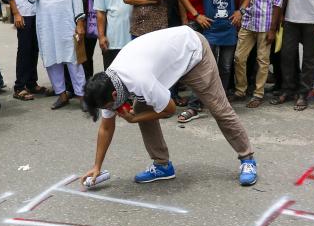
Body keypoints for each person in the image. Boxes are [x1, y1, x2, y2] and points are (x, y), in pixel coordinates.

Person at [81, 26, 258, 186]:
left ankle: (247, 159)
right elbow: (105, 128)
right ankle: (162, 165)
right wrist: (97, 166)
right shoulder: (106, 84)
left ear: (114, 95)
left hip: (193, 54)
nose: (111, 109)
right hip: (168, 63)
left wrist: (134, 118)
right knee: (143, 108)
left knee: (219, 108)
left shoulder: (139, 79)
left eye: (110, 106)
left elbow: (170, 110)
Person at [26, 0, 87, 110]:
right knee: (50, 58)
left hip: (66, 21)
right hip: (45, 23)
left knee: (73, 58)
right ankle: (61, 94)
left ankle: (82, 95)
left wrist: (79, 22)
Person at [230, 0, 286, 108]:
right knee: (239, 57)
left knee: (263, 60)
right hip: (248, 19)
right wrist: (240, 14)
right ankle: (240, 90)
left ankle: (258, 94)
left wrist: (273, 29)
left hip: (265, 21)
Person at [3, 0, 48, 101]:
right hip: (22, 8)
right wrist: (16, 12)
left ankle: (31, 83)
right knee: (25, 48)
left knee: (35, 47)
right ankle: (19, 86)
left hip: (37, 7)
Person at [93, 0, 131, 68]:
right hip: (112, 42)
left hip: (133, 40)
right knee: (112, 78)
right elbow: (100, 13)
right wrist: (101, 37)